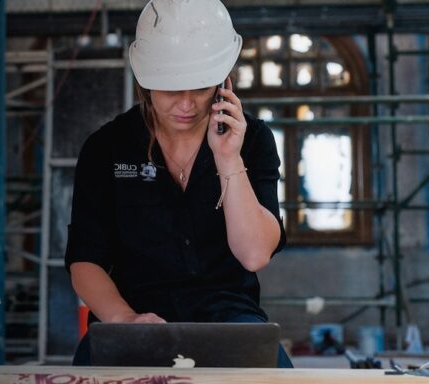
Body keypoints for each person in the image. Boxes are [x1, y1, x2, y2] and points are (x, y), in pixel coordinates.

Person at [64, 0, 293, 368]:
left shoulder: (251, 140)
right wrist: (125, 320)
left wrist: (228, 158)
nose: (186, 104)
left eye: (200, 88)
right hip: (134, 316)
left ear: (222, 80)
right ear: (146, 80)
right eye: (171, 90)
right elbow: (85, 261)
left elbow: (254, 254)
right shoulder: (106, 148)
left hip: (229, 322)